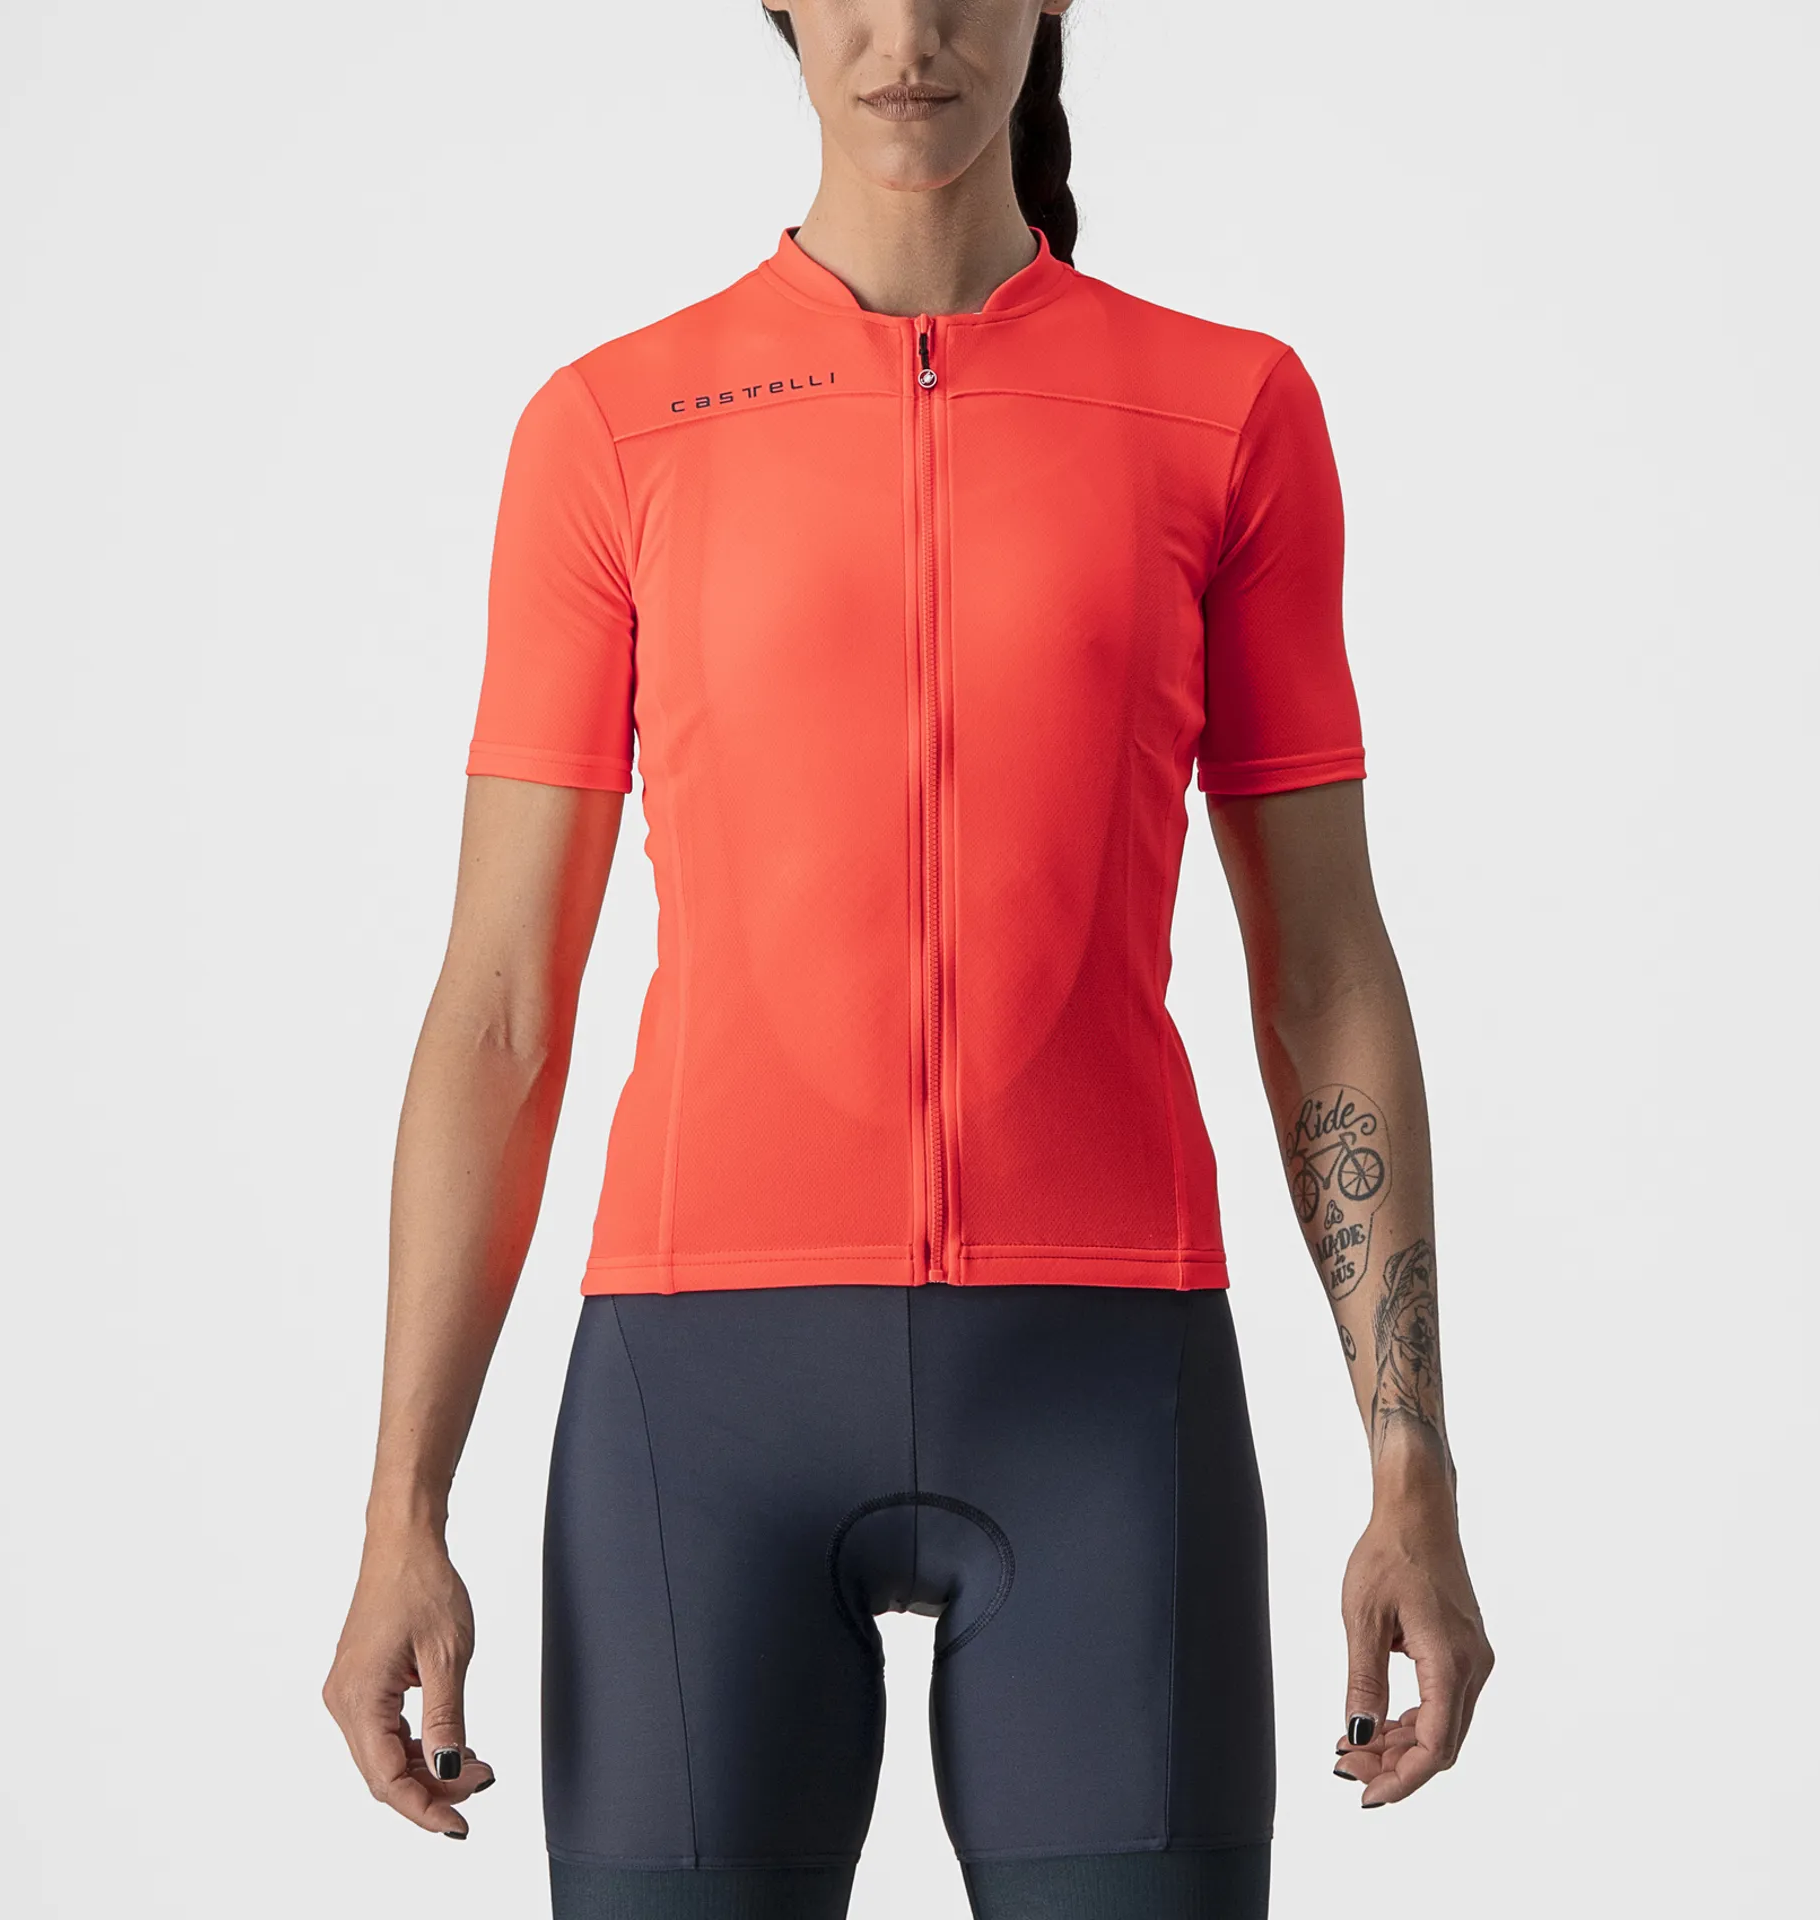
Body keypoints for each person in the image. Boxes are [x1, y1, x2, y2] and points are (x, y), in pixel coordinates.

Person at [322, 4, 1494, 1914]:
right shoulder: (613, 427)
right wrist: (401, 1512)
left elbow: (1327, 979)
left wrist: (1412, 1471)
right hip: (695, 1409)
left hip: (1106, 1390)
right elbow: (502, 1011)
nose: (909, 33)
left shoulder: (1225, 413)